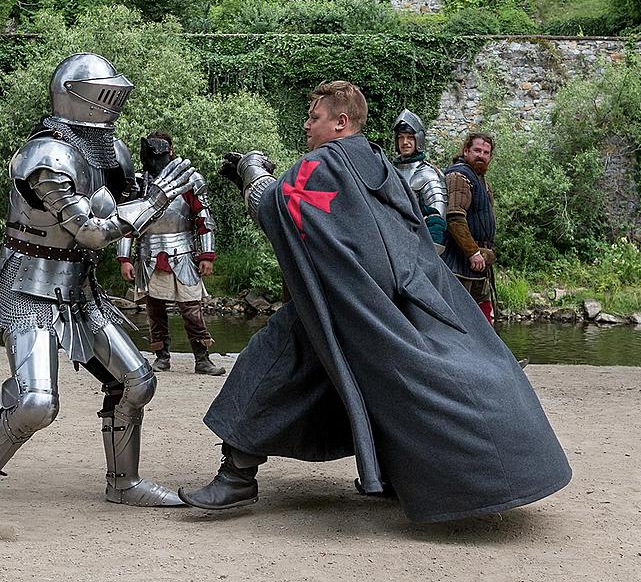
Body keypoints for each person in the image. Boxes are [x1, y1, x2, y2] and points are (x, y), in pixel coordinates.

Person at [178, 81, 571, 523]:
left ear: (341, 122)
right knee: (384, 382)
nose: (307, 125)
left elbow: (279, 207)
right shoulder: (380, 162)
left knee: (269, 361)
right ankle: (393, 475)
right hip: (393, 300)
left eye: (315, 117)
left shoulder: (322, 164)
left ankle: (236, 478)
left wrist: (253, 172)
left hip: (342, 303)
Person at [0, 53, 196, 534]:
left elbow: (124, 215)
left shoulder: (113, 151)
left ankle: (123, 482)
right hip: (29, 285)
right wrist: (157, 200)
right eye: (106, 94)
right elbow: (88, 230)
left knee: (138, 381)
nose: (115, 103)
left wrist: (160, 207)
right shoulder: (45, 155)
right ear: (78, 95)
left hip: (81, 288)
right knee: (36, 403)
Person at [118, 132, 225, 376]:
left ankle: (202, 359)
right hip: (148, 254)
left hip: (184, 253)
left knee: (191, 309)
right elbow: (126, 221)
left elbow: (203, 218)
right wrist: (124, 259)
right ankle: (161, 358)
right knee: (154, 310)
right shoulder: (138, 183)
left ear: (170, 151)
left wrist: (207, 255)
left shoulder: (190, 179)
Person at [440, 133, 497, 325]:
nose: (481, 155)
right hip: (459, 265)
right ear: (466, 151)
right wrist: (473, 252)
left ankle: (489, 355)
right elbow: (455, 218)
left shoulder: (480, 181)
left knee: (483, 320)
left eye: (486, 152)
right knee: (458, 323)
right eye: (477, 151)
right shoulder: (459, 176)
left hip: (478, 266)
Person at [391, 109, 447, 252]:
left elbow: (437, 219)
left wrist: (429, 255)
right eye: (401, 137)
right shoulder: (389, 170)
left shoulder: (428, 175)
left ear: (418, 139)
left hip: (417, 247)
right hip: (390, 243)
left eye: (410, 137)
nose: (405, 142)